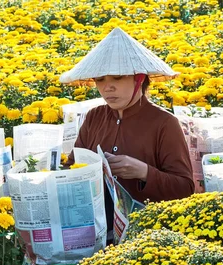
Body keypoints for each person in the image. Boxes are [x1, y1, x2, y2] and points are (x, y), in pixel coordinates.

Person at [60, 28, 194, 241]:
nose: (107, 87)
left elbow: (185, 188)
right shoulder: (94, 117)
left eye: (117, 78)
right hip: (95, 231)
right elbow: (71, 167)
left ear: (139, 79)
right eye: (100, 79)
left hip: (150, 236)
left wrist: (144, 172)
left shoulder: (165, 123)